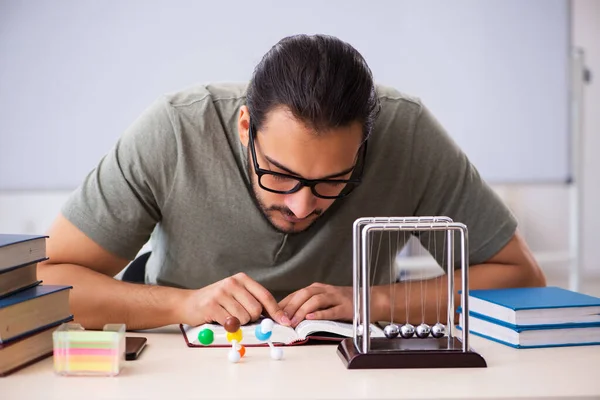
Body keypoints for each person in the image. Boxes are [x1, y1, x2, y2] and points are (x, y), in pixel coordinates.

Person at [39, 34, 546, 331]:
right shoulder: (175, 130)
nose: (302, 206)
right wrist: (183, 303)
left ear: (367, 144)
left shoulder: (407, 133)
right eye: (279, 175)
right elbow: (49, 281)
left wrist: (371, 301)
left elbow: (518, 277)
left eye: (334, 181)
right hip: (188, 363)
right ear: (245, 128)